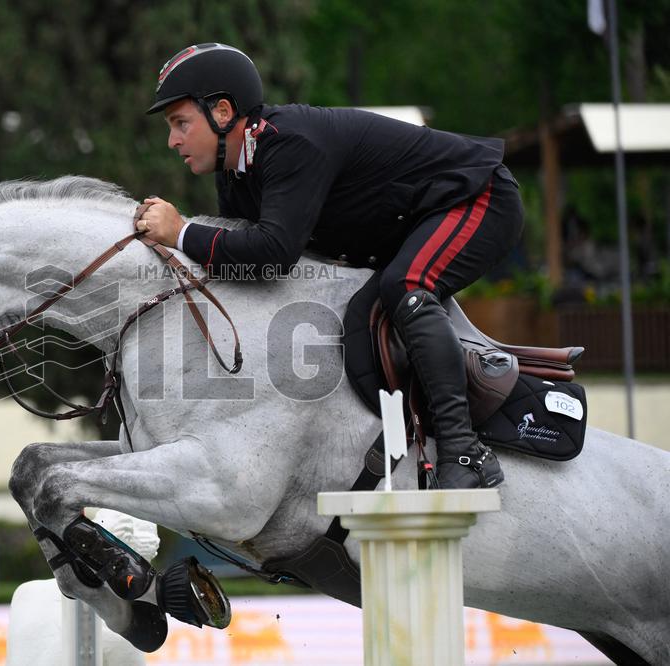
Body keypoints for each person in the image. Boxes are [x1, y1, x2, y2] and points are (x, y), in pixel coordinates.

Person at [137, 43, 525, 489]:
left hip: (478, 197)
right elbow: (243, 263)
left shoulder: (288, 143)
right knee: (361, 308)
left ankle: (465, 452)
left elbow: (273, 252)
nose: (172, 141)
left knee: (407, 286)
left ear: (222, 112)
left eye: (181, 123)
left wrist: (181, 232)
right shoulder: (235, 171)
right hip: (416, 221)